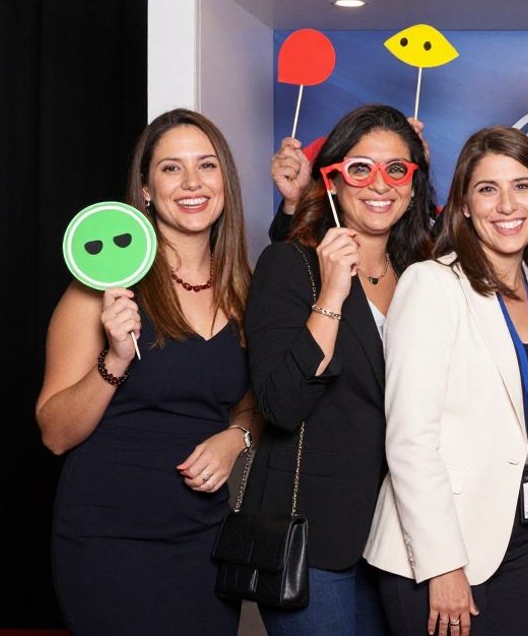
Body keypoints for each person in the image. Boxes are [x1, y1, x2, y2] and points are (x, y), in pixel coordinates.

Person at [40, 109, 257, 636]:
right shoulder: (101, 284)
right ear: (144, 190)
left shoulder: (246, 289)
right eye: (171, 168)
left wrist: (237, 438)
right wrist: (115, 358)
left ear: (225, 181)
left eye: (206, 165)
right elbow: (55, 433)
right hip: (108, 538)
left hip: (203, 542)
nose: (192, 182)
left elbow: (256, 400)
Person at [364, 126, 528, 636]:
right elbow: (410, 439)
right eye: (487, 189)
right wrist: (443, 565)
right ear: (464, 206)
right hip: (439, 548)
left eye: (522, 186)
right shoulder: (433, 284)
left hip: (521, 538)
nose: (507, 205)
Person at [244, 104, 435, 635]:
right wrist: (331, 294)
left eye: (396, 169)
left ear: (414, 186)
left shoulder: (423, 274)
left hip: (400, 535)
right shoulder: (289, 264)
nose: (380, 184)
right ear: (331, 180)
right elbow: (281, 404)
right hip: (316, 535)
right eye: (360, 168)